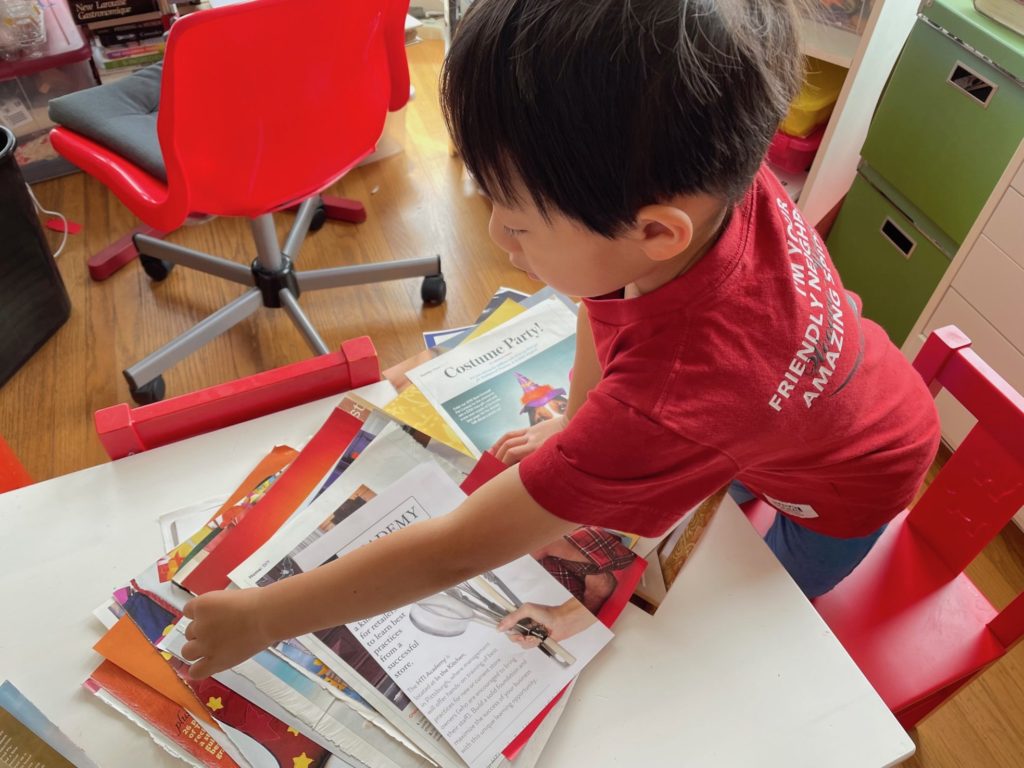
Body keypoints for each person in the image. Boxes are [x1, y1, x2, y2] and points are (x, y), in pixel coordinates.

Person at [181, 0, 940, 679]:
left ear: (653, 231)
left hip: (849, 489)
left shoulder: (668, 400)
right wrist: (577, 425)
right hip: (822, 397)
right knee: (730, 465)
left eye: (515, 222)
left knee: (723, 639)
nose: (496, 238)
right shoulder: (712, 177)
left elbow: (460, 549)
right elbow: (608, 302)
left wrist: (265, 616)